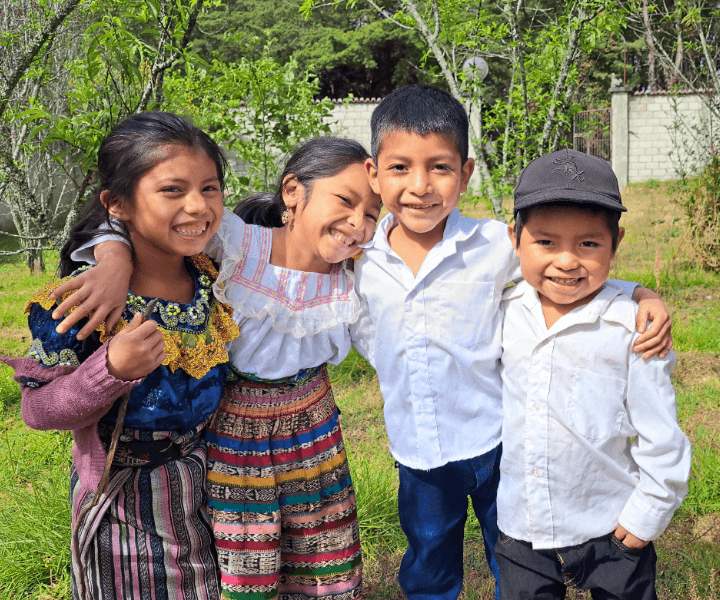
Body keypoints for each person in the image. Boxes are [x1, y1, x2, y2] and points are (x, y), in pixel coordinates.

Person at [348, 85, 674, 600]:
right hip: (417, 448)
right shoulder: (356, 257)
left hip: (499, 442)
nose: (420, 186)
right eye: (400, 168)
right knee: (429, 560)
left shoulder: (492, 244)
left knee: (518, 556)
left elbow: (562, 264)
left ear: (466, 172)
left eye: (439, 167)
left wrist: (641, 292)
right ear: (374, 172)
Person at [46, 137, 382, 600]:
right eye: (345, 200)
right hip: (233, 432)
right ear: (292, 192)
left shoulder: (358, 277)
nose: (357, 224)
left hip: (314, 430)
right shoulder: (237, 243)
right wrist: (113, 260)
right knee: (247, 563)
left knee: (322, 552)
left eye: (372, 213)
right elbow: (138, 210)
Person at [0, 111, 240, 600]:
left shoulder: (214, 276)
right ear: (119, 204)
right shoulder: (82, 304)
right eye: (172, 190)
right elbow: (38, 410)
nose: (197, 206)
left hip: (212, 490)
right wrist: (109, 370)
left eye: (210, 188)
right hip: (124, 511)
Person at [495, 149, 691, 599]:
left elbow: (662, 436)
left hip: (611, 528)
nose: (567, 261)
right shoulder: (501, 309)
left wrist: (647, 515)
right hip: (521, 528)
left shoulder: (631, 330)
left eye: (588, 244)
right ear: (515, 238)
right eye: (545, 242)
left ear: (615, 244)